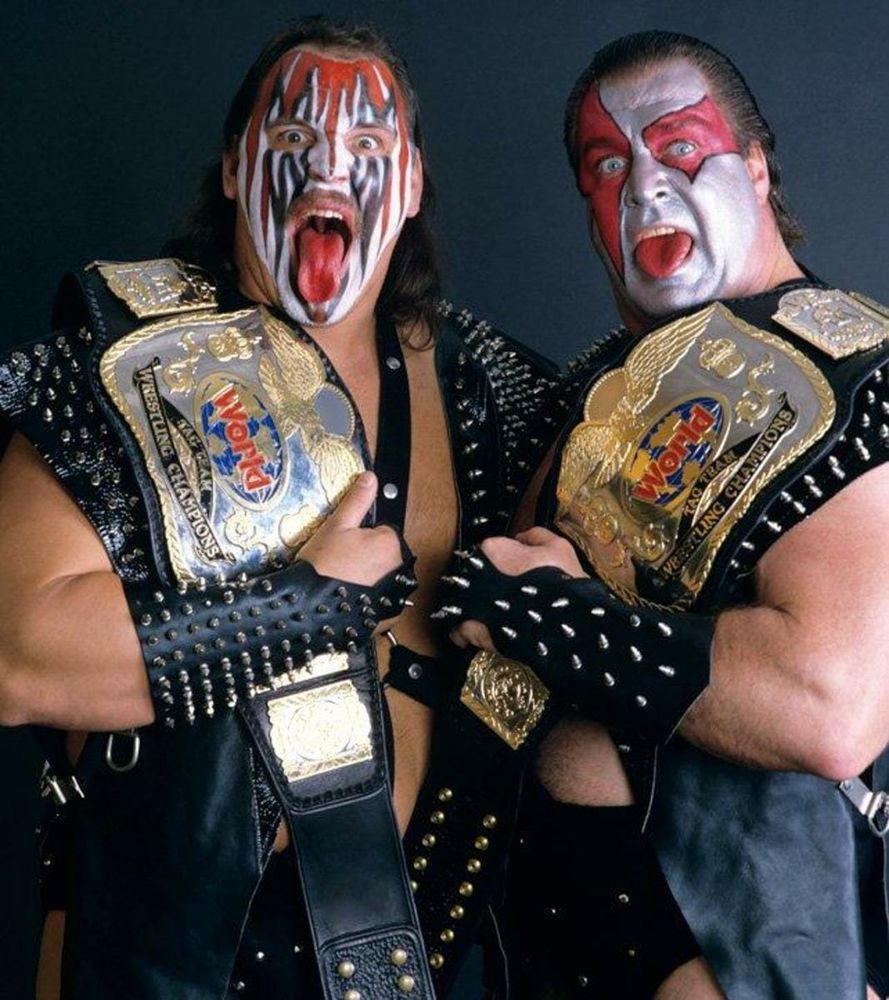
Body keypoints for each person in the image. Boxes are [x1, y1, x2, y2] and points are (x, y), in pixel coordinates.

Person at [0, 17, 555, 1000]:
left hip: (413, 959)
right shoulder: (126, 364)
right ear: (230, 170)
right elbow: (18, 655)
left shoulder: (497, 393)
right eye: (291, 145)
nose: (326, 172)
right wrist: (300, 607)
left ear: (414, 185)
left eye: (368, 149)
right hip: (167, 957)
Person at [444, 30, 889, 999]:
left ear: (757, 166)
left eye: (678, 146)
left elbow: (829, 706)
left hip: (764, 957)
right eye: (607, 166)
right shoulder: (583, 401)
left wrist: (546, 615)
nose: (644, 184)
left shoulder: (857, 378)